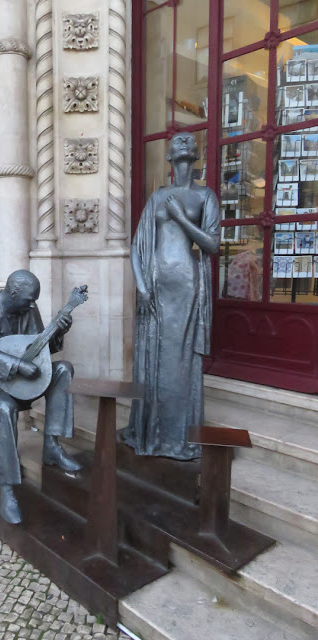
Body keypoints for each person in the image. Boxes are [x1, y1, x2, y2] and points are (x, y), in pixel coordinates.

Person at [120, 133, 220, 459]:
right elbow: (136, 248)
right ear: (169, 156)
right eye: (177, 141)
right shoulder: (158, 197)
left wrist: (180, 218)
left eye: (188, 141)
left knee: (179, 363)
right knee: (153, 359)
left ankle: (178, 436)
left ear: (195, 154)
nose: (183, 142)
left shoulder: (206, 197)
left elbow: (212, 245)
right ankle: (151, 432)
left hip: (187, 288)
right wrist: (142, 286)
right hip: (155, 288)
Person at [0, 270, 81, 524]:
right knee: (4, 409)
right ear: (12, 292)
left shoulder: (29, 310)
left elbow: (41, 348)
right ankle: (7, 488)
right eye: (29, 299)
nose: (33, 304)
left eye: (35, 300)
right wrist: (17, 366)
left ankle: (52, 446)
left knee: (64, 369)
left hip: (25, 383)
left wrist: (60, 331)